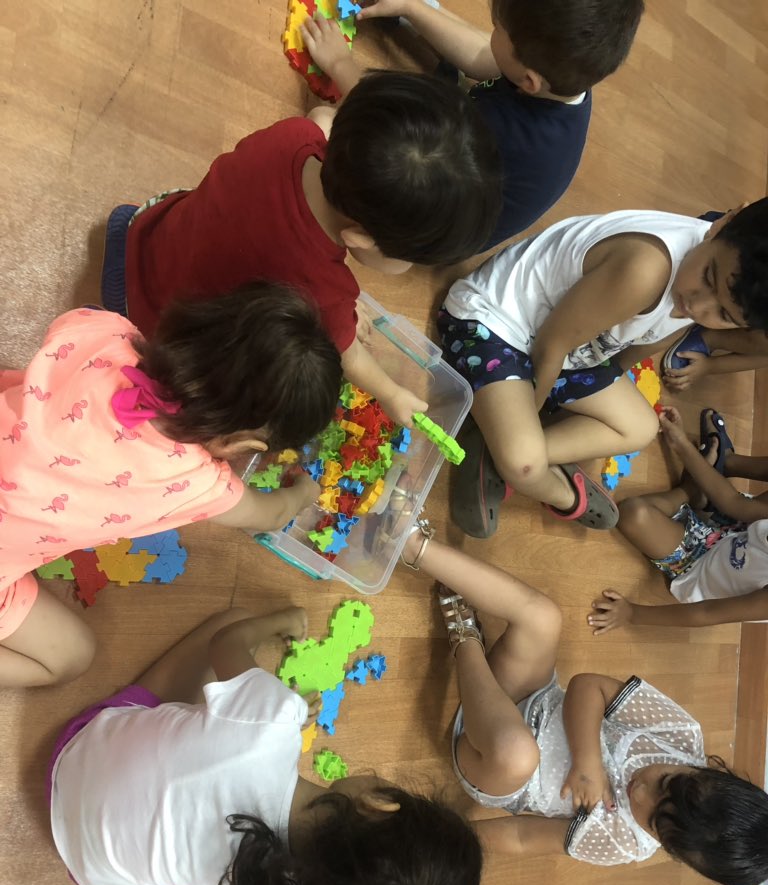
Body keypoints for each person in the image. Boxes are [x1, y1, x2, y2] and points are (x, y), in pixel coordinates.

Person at [31, 606, 483, 885]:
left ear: (379, 802)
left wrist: (275, 648)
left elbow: (226, 642)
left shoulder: (274, 719)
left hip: (74, 753)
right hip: (94, 870)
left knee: (230, 620)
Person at [103, 70, 502, 427]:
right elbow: (349, 356)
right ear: (359, 239)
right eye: (411, 260)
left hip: (148, 230)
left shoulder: (295, 135)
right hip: (149, 321)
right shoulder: (324, 294)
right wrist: (392, 393)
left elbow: (322, 119)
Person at [0, 283, 340, 688]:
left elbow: (69, 327)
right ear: (240, 445)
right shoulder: (195, 482)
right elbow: (273, 515)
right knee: (72, 657)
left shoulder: (106, 333)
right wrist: (305, 491)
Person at [399, 516, 768, 885]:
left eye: (654, 818)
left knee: (517, 753)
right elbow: (586, 686)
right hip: (531, 697)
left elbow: (523, 836)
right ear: (711, 771)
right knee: (542, 616)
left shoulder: (623, 842)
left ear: (677, 853)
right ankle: (414, 544)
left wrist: (443, 842)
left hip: (490, 760)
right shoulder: (682, 735)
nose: (641, 791)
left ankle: (465, 638)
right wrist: (587, 761)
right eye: (666, 780)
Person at [438, 199, 768, 537]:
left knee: (640, 428)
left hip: (564, 344)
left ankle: (493, 442)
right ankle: (562, 492)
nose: (698, 306)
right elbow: (551, 345)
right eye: (709, 278)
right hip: (492, 325)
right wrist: (531, 419)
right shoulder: (646, 270)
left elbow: (628, 353)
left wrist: (594, 387)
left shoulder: (694, 286)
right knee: (524, 463)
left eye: (724, 316)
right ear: (725, 221)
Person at [301, 0, 643, 249]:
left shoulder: (502, 131)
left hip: (433, 224)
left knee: (326, 122)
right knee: (424, 9)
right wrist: (412, 6)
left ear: (529, 81)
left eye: (499, 29)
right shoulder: (563, 79)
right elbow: (485, 55)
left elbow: (391, 117)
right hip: (462, 163)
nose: (492, 30)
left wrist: (340, 62)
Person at [588, 406, 768, 634]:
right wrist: (681, 444)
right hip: (736, 528)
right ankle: (721, 469)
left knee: (634, 514)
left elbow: (707, 613)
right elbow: (736, 504)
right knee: (725, 502)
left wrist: (631, 613)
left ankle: (692, 490)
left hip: (697, 566)